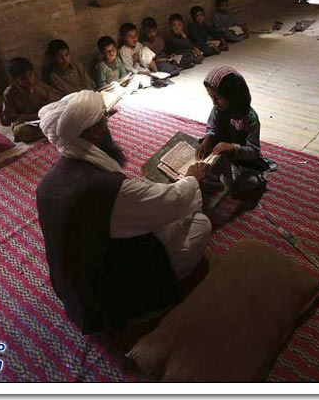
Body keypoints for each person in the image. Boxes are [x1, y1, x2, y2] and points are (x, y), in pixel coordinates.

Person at [36, 90, 213, 333]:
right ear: (94, 132)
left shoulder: (49, 181)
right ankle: (148, 302)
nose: (108, 126)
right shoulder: (109, 189)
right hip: (108, 298)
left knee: (161, 214)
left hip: (74, 289)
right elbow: (174, 201)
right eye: (104, 121)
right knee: (200, 224)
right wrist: (192, 179)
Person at [196, 66, 275, 192]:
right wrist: (208, 138)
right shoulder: (218, 109)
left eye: (218, 97)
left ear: (233, 95)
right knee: (199, 154)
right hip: (219, 153)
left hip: (242, 160)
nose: (214, 103)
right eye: (211, 98)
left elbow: (253, 151)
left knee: (249, 182)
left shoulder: (250, 118)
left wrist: (233, 148)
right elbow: (211, 127)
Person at [2, 57, 59, 143]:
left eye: (30, 75)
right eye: (23, 78)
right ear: (15, 80)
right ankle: (47, 131)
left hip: (44, 118)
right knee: (21, 130)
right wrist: (30, 117)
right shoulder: (9, 93)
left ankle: (46, 131)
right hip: (27, 123)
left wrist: (44, 94)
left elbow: (58, 100)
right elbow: (8, 116)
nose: (29, 80)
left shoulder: (39, 84)